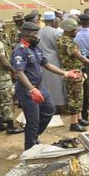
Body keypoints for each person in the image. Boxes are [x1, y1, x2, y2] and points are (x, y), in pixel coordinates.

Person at [11, 22, 80, 150]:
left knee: (49, 110)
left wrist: (65, 73)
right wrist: (32, 90)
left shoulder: (35, 48)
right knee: (33, 120)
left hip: (39, 87)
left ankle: (34, 136)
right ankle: (30, 148)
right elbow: (19, 73)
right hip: (27, 89)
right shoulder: (20, 51)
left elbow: (46, 64)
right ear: (26, 35)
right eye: (35, 34)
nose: (38, 37)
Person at [57, 18, 89, 131]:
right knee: (75, 97)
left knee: (79, 96)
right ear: (68, 30)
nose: (76, 32)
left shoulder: (60, 39)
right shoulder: (68, 42)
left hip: (73, 70)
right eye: (74, 30)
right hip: (73, 72)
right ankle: (74, 123)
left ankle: (79, 119)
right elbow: (80, 57)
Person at [39, 11, 66, 112]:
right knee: (57, 84)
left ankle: (48, 106)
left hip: (43, 61)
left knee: (46, 84)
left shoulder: (39, 32)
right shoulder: (56, 32)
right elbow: (59, 48)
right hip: (54, 61)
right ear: (54, 21)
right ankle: (58, 106)